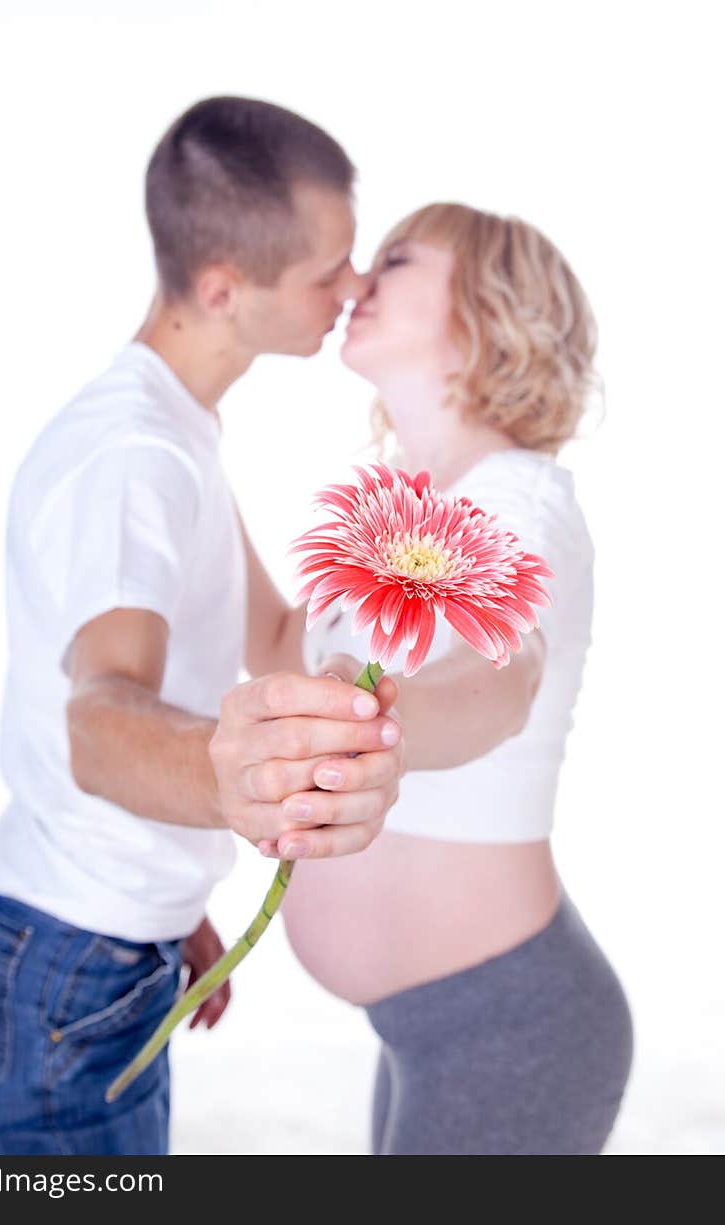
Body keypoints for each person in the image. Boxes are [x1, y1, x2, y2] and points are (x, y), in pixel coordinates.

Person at [0, 96, 405, 1157]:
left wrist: (163, 895)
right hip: (52, 975)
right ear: (223, 288)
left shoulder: (178, 429)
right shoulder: (133, 459)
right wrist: (227, 781)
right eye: (328, 270)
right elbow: (99, 723)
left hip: (96, 947)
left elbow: (277, 638)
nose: (356, 285)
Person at [260, 203, 634, 1154]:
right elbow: (273, 644)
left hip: (513, 1028)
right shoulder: (400, 514)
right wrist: (187, 420)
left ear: (487, 307)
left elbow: (502, 670)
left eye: (397, 258)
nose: (358, 280)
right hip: (436, 1027)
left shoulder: (520, 495)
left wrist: (381, 715)